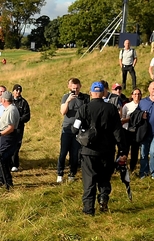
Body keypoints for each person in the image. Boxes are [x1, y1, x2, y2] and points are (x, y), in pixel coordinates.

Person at [73, 81, 123, 215]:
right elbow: (118, 131)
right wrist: (122, 150)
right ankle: (103, 197)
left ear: (91, 93)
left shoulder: (84, 108)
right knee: (104, 177)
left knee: (89, 180)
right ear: (103, 93)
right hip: (107, 150)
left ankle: (89, 210)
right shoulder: (111, 109)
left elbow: (74, 129)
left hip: (88, 151)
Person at [59, 78, 91, 182]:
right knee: (63, 152)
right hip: (67, 128)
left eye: (77, 88)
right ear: (69, 87)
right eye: (73, 88)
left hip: (79, 130)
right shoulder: (65, 97)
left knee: (75, 153)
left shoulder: (85, 97)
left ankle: (72, 174)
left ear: (80, 86)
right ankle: (60, 173)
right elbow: (63, 112)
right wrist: (68, 101)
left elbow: (87, 113)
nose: (75, 90)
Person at [0, 91, 20, 189]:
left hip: (9, 137)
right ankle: (2, 180)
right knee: (1, 158)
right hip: (6, 136)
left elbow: (11, 128)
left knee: (1, 159)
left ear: (4, 100)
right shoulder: (9, 109)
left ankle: (8, 182)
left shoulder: (11, 110)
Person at [120, 89, 143, 173]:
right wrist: (131, 119)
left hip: (137, 131)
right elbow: (122, 118)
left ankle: (132, 168)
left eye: (138, 94)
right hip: (127, 131)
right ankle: (122, 167)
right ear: (132, 95)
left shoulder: (143, 105)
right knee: (125, 150)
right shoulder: (127, 106)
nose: (137, 96)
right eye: (135, 94)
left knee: (135, 151)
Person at [10, 84, 30, 172]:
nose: (18, 92)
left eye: (19, 90)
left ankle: (15, 164)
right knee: (9, 145)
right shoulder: (9, 101)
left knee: (16, 146)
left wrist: (18, 120)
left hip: (19, 127)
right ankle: (9, 163)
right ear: (13, 91)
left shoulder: (24, 102)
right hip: (9, 127)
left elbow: (27, 116)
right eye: (16, 90)